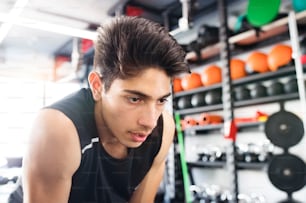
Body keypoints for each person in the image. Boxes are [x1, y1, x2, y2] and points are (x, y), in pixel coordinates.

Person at [8, 16, 189, 203]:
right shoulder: (58, 129)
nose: (150, 122)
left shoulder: (163, 129)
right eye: (134, 99)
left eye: (160, 100)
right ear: (97, 86)